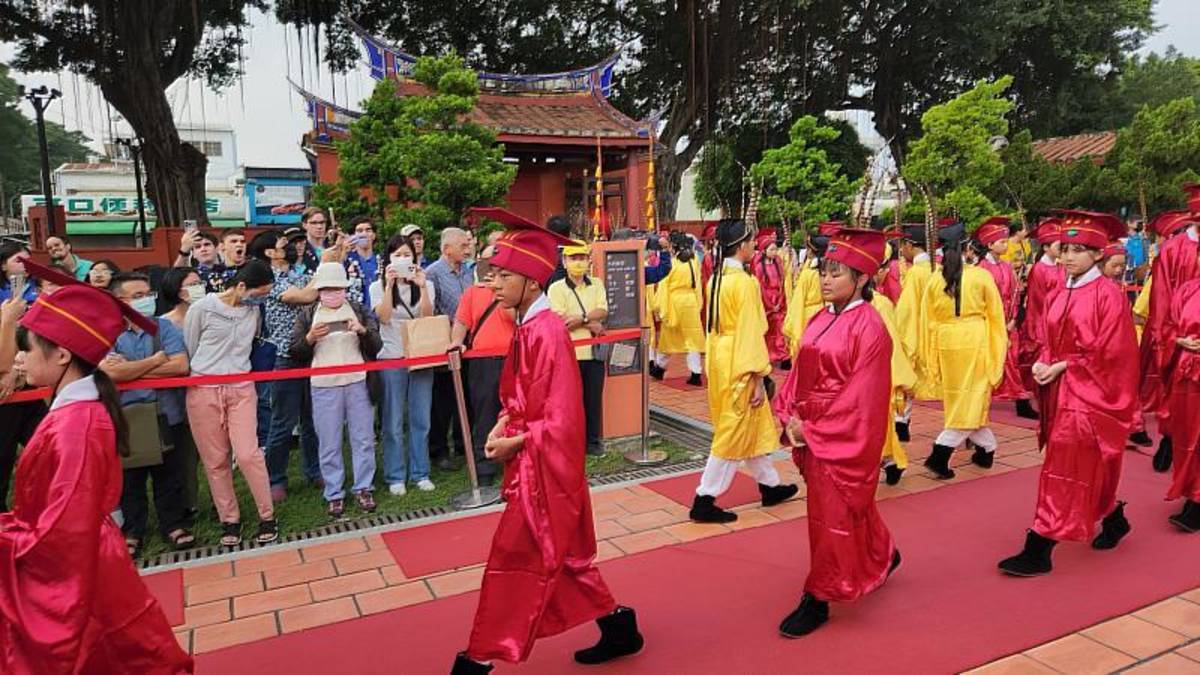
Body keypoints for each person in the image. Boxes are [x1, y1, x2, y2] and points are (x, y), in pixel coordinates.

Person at [451, 216, 643, 675]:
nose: (493, 284)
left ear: (533, 283)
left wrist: (515, 440)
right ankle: (619, 628)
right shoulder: (531, 326)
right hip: (536, 465)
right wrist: (505, 421)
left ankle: (477, 659)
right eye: (492, 274)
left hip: (545, 473)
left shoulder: (546, 333)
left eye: (504, 276)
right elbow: (523, 396)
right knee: (569, 561)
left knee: (513, 561)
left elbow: (563, 422)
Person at [2, 261, 192, 673]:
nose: (19, 358)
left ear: (63, 355)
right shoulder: (75, 413)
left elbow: (63, 531)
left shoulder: (77, 425)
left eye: (27, 347)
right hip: (86, 561)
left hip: (80, 569)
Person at [774, 227, 900, 638]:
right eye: (824, 270)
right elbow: (798, 372)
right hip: (810, 426)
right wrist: (789, 413)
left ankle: (821, 595)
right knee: (847, 506)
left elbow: (863, 398)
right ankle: (883, 552)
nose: (825, 279)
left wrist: (814, 429)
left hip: (838, 432)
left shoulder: (871, 328)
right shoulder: (819, 317)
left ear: (862, 279)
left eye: (837, 273)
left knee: (830, 515)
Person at [998, 210, 1137, 576]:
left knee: (1062, 466)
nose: (1069, 256)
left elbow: (1114, 353)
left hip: (1090, 395)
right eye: (1066, 249)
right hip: (1062, 391)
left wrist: (1065, 365)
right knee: (1086, 466)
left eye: (1079, 250)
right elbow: (1050, 338)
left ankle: (1039, 546)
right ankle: (1114, 516)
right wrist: (1045, 361)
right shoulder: (1062, 290)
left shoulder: (1108, 296)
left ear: (1097, 255)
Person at [690, 219, 799, 524]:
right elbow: (751, 331)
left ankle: (770, 485)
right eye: (751, 241)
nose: (754, 246)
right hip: (740, 359)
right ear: (740, 246)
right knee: (733, 430)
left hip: (722, 358)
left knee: (745, 423)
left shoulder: (717, 279)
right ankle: (704, 497)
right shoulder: (745, 283)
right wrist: (755, 377)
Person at [183, 260, 278, 548]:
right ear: (240, 286)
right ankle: (229, 519)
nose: (262, 299)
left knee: (249, 454)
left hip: (241, 387)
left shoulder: (254, 310)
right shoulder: (203, 308)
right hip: (203, 389)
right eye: (259, 293)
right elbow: (191, 345)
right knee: (216, 460)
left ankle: (267, 515)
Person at [102, 273, 194, 555]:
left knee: (170, 473)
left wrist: (131, 367)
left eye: (148, 294)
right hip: (127, 416)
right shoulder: (106, 332)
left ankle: (174, 524)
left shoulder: (163, 327)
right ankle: (133, 530)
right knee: (131, 478)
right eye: (138, 296)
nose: (147, 300)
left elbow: (180, 365)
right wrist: (155, 360)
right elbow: (110, 373)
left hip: (167, 413)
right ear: (120, 301)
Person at [290, 263, 382, 518]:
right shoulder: (308, 314)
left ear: (345, 288)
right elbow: (295, 350)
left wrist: (362, 331)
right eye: (327, 289)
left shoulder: (358, 310)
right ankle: (334, 493)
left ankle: (364, 487)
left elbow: (377, 344)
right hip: (323, 385)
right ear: (319, 290)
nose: (333, 293)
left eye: (338, 289)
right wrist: (310, 338)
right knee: (329, 442)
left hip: (357, 381)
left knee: (363, 438)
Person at [920, 223, 1007, 479]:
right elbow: (996, 316)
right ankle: (940, 452)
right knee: (971, 398)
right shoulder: (981, 277)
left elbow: (927, 319)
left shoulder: (935, 279)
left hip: (947, 342)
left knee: (964, 399)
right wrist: (998, 344)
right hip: (975, 339)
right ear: (968, 248)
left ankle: (987, 449)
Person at [373, 235, 439, 495]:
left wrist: (422, 287)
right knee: (392, 421)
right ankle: (395, 475)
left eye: (406, 254)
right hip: (391, 357)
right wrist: (389, 286)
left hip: (420, 357)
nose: (402, 259)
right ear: (388, 258)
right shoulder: (375, 287)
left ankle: (420, 472)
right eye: (397, 255)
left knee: (421, 418)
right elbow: (384, 316)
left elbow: (427, 316)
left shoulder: (426, 284)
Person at [259, 232, 323, 502]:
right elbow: (308, 296)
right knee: (282, 422)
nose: (288, 245)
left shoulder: (300, 272)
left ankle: (314, 470)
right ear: (268, 253)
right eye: (281, 244)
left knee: (313, 420)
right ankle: (275, 478)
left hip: (313, 352)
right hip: (285, 357)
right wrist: (327, 265)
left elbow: (314, 291)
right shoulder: (266, 280)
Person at [1144, 190, 1200, 473]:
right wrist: (1171, 337)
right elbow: (1162, 299)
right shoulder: (1173, 249)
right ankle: (1169, 437)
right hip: (1181, 336)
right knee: (1178, 397)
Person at [451, 242, 515, 487]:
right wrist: (456, 342)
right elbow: (461, 323)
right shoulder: (472, 293)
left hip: (513, 356)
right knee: (485, 413)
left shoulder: (513, 291)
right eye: (488, 263)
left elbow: (516, 318)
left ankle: (515, 459)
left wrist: (500, 291)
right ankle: (484, 468)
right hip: (482, 361)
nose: (492, 269)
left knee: (515, 410)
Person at [548, 240, 610, 457]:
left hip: (593, 354)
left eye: (582, 258)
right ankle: (570, 443)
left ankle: (592, 442)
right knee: (568, 402)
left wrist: (582, 318)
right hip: (568, 354)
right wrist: (590, 322)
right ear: (564, 262)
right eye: (574, 258)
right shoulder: (556, 288)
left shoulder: (597, 283)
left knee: (592, 400)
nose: (578, 262)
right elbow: (561, 320)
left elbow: (602, 310)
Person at [976, 217, 1038, 419]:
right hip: (989, 321)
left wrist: (1012, 320)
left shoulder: (1006, 266)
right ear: (989, 244)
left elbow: (1014, 295)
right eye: (1001, 242)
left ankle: (1019, 399)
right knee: (992, 360)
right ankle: (1014, 399)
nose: (1005, 245)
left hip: (1008, 320)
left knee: (1011, 359)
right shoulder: (981, 269)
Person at [157, 267, 205, 516]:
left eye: (200, 282)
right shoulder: (164, 324)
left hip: (207, 390)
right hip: (176, 398)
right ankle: (187, 504)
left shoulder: (209, 314)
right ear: (177, 290)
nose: (199, 287)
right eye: (192, 284)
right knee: (181, 455)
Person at [427, 227, 475, 469]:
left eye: (468, 245)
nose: (467, 250)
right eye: (462, 246)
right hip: (443, 344)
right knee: (442, 400)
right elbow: (429, 310)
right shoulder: (432, 274)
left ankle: (462, 444)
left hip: (469, 344)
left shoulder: (468, 273)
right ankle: (438, 451)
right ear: (447, 249)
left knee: (466, 396)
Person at [871, 244, 917, 485]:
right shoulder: (880, 304)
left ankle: (890, 461)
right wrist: (903, 379)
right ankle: (890, 461)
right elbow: (892, 346)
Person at [1163, 242, 1200, 530]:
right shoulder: (1187, 289)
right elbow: (1167, 325)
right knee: (1187, 434)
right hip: (1186, 373)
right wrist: (1178, 340)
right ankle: (1191, 490)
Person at [893, 223, 938, 440]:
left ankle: (901, 422)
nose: (901, 251)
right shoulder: (936, 269)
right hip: (937, 331)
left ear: (910, 245)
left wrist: (898, 332)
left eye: (903, 246)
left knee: (906, 376)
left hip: (918, 331)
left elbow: (906, 311)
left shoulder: (916, 274)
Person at [651, 230, 705, 385]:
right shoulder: (693, 261)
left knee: (669, 338)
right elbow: (697, 285)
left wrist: (660, 308)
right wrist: (698, 303)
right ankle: (696, 373)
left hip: (674, 302)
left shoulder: (671, 264)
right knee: (692, 339)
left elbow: (663, 287)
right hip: (690, 302)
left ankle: (660, 368)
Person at [1018, 218, 1065, 394]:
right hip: (1041, 320)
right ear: (1045, 248)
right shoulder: (1039, 269)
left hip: (1056, 318)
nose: (1062, 250)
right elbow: (1037, 301)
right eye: (1058, 246)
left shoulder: (1059, 266)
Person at [783, 226, 833, 356]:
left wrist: (792, 328)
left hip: (808, 317)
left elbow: (798, 302)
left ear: (812, 250)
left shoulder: (808, 274)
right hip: (828, 315)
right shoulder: (832, 273)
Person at [752, 229, 791, 368]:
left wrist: (780, 301)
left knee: (780, 329)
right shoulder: (759, 268)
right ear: (764, 250)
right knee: (767, 330)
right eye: (772, 249)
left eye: (775, 249)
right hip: (766, 302)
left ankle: (783, 356)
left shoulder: (778, 265)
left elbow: (781, 283)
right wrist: (769, 305)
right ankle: (768, 355)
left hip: (778, 300)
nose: (775, 252)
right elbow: (760, 288)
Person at [346, 216, 380, 307]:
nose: (364, 234)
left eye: (368, 230)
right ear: (352, 236)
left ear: (374, 235)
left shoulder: (382, 261)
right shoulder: (346, 262)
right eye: (359, 231)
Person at [299, 206, 331, 273]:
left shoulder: (331, 246)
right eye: (314, 223)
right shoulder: (300, 248)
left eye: (322, 222)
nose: (319, 227)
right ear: (304, 225)